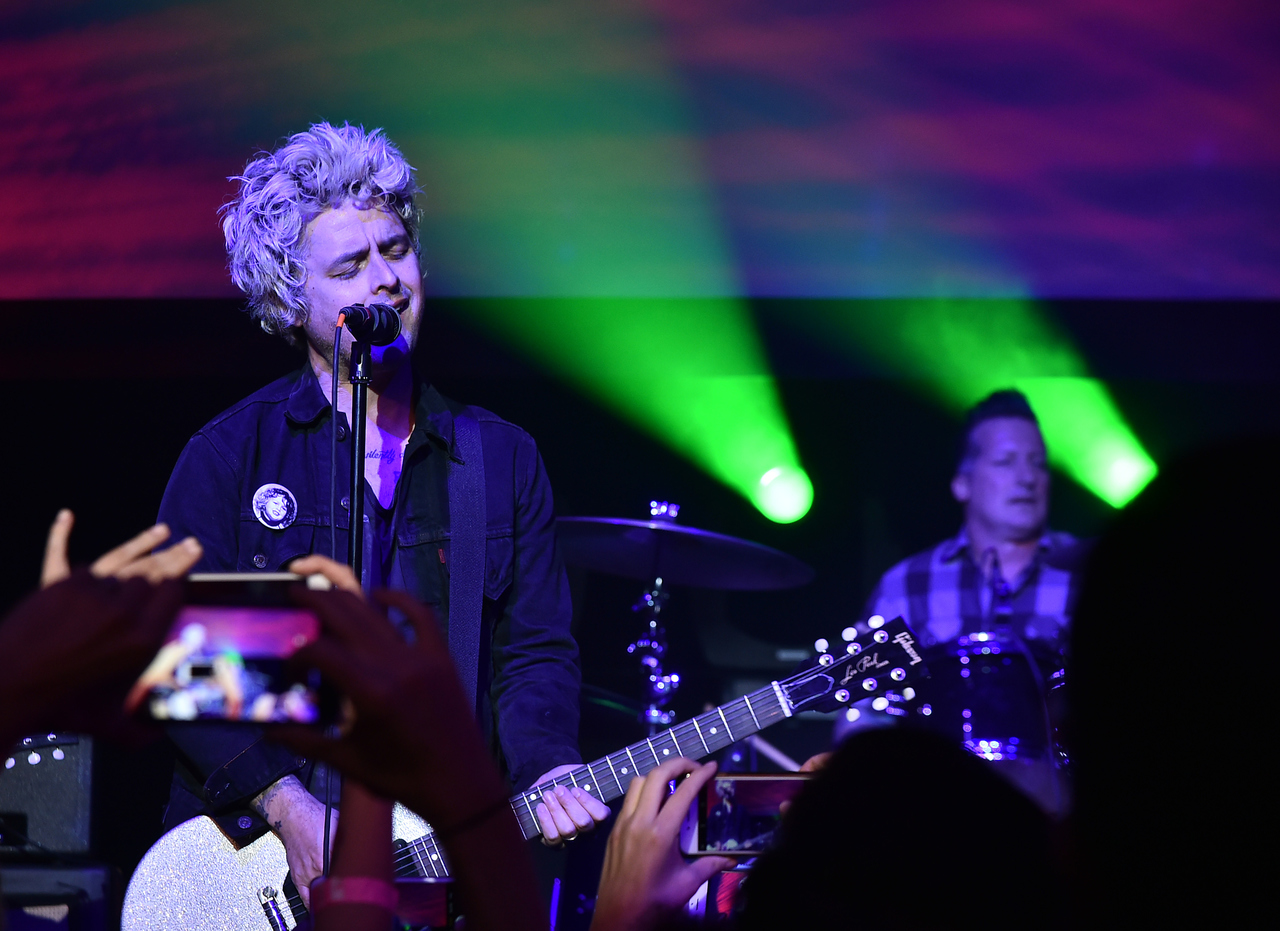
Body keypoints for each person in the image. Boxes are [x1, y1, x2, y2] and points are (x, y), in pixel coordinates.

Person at [154, 122, 606, 904]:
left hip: (439, 867)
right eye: (352, 265)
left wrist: (549, 765)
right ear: (295, 302)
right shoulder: (233, 456)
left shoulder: (496, 458)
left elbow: (534, 652)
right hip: (254, 871)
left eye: (395, 250)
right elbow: (191, 671)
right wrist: (289, 807)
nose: (385, 280)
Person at [848, 390, 1088, 812]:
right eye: (1005, 461)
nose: (1027, 477)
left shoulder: (1087, 575)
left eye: (1037, 463)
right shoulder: (906, 584)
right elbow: (865, 714)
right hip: (932, 816)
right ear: (962, 483)